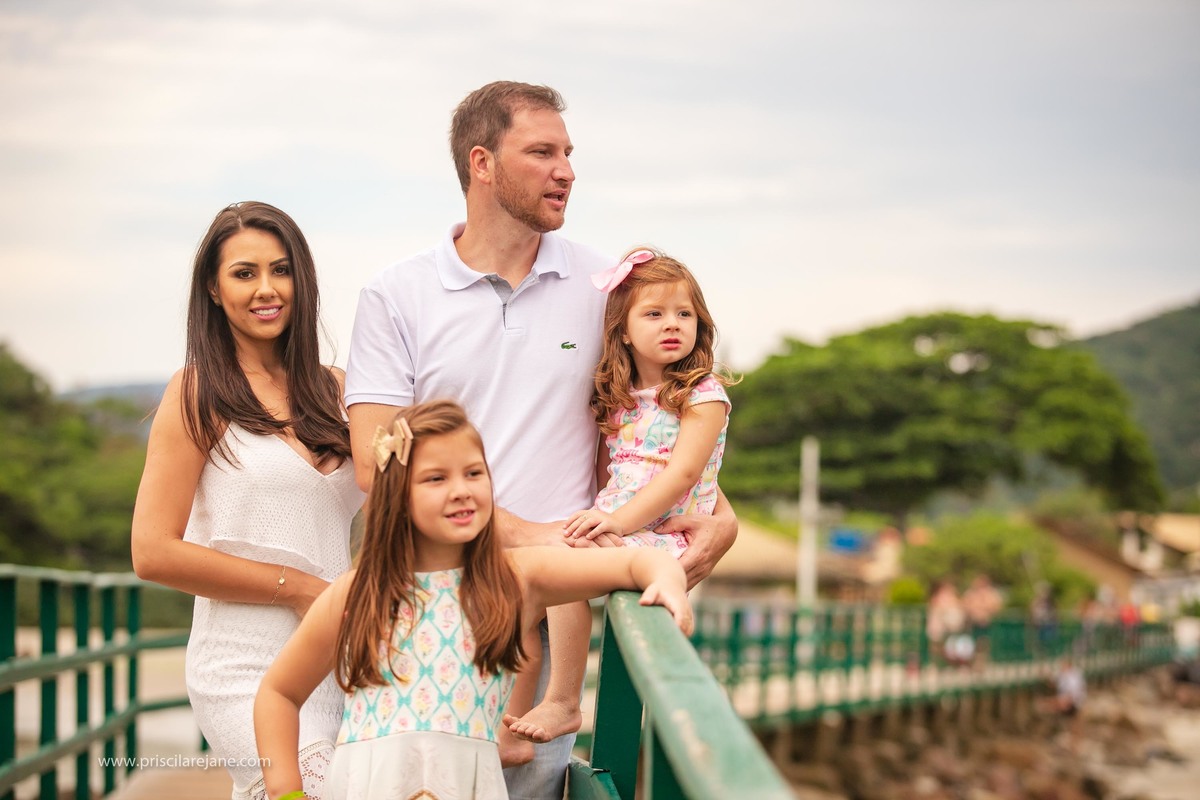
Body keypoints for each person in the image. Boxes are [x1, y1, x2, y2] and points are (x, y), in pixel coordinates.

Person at [343, 80, 737, 799]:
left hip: (552, 615)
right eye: (542, 152)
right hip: (429, 606)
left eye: (569, 153)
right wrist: (525, 537)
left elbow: (657, 418)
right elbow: (376, 463)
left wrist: (725, 515)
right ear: (482, 162)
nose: (567, 170)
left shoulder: (604, 286)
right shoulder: (395, 294)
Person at [254, 400, 692, 800]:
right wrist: (287, 793)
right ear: (398, 497)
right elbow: (278, 692)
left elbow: (638, 564)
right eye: (436, 478)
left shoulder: (515, 577)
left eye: (473, 473)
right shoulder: (358, 592)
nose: (461, 489)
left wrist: (667, 583)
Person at [131, 202, 364, 800]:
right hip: (244, 665)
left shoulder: (338, 389)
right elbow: (152, 552)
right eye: (244, 272)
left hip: (340, 656)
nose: (267, 289)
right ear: (213, 287)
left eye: (281, 270)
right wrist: (301, 587)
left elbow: (396, 507)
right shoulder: (197, 392)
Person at [503, 248, 733, 745]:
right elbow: (613, 473)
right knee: (553, 560)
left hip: (661, 533)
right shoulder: (621, 397)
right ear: (623, 331)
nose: (672, 324)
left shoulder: (702, 394)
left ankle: (566, 700)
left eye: (684, 314)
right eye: (654, 313)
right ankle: (535, 704)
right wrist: (605, 518)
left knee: (568, 555)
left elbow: (682, 475)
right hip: (623, 524)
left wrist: (616, 523)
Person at [961, 573, 1002, 666]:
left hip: (985, 624)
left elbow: (996, 607)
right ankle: (971, 662)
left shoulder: (991, 594)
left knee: (983, 643)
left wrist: (983, 607)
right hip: (971, 623)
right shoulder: (971, 593)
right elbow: (965, 605)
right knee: (972, 643)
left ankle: (980, 662)